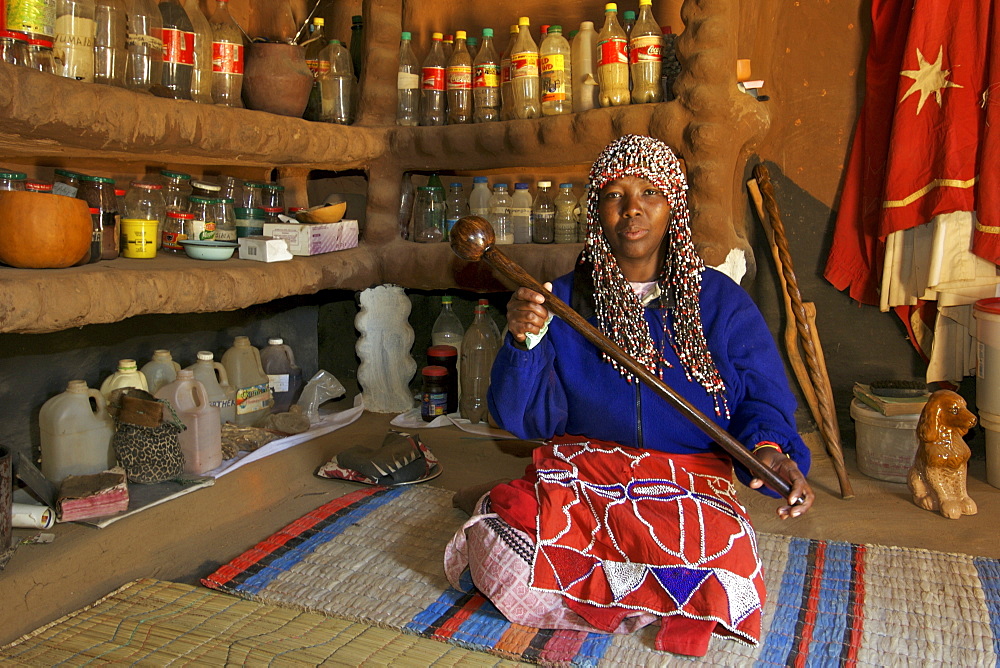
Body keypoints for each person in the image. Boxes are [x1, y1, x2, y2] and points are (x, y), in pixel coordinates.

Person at [443, 134, 814, 657]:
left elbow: (766, 400)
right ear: (598, 212)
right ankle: (635, 590)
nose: (632, 209)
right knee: (502, 541)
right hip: (586, 475)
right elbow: (524, 420)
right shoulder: (561, 300)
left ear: (674, 208)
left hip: (685, 484)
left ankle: (622, 591)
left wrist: (773, 450)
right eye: (615, 195)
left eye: (649, 193)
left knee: (720, 552)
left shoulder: (721, 302)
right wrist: (524, 343)